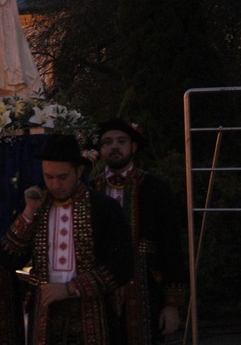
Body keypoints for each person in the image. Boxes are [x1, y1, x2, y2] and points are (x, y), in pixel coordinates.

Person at [0, 134, 133, 344]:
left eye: (62, 177)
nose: (54, 184)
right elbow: (8, 257)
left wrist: (71, 288)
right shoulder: (38, 207)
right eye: (48, 177)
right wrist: (28, 213)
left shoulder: (103, 208)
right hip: (45, 314)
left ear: (79, 171)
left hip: (91, 312)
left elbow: (122, 266)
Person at [91, 119, 187, 344]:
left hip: (146, 289)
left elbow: (171, 244)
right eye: (107, 142)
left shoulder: (155, 188)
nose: (114, 146)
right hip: (99, 291)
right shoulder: (90, 189)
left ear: (133, 146)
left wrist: (171, 304)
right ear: (100, 149)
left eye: (121, 141)